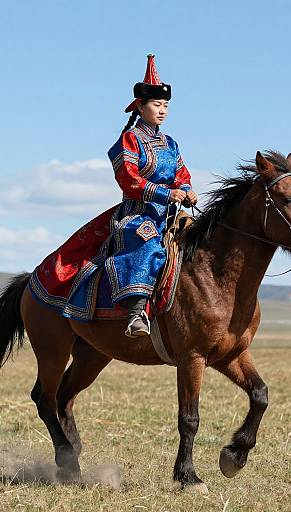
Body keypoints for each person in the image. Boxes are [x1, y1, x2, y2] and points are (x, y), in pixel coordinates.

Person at [107, 54, 198, 338]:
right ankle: (135, 314)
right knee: (146, 244)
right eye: (157, 105)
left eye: (166, 106)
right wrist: (166, 194)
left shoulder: (170, 143)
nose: (162, 111)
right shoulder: (130, 139)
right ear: (140, 107)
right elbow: (128, 179)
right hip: (137, 213)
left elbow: (181, 174)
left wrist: (186, 191)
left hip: (169, 214)